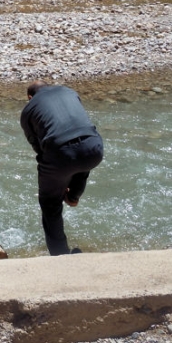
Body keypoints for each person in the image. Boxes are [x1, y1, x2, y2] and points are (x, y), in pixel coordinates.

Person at [19, 79, 104, 256]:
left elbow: (38, 148)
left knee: (50, 204)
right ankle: (73, 196)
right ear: (49, 86)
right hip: (94, 146)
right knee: (82, 157)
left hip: (60, 153)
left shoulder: (28, 110)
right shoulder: (69, 92)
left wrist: (57, 177)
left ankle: (60, 255)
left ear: (29, 97)